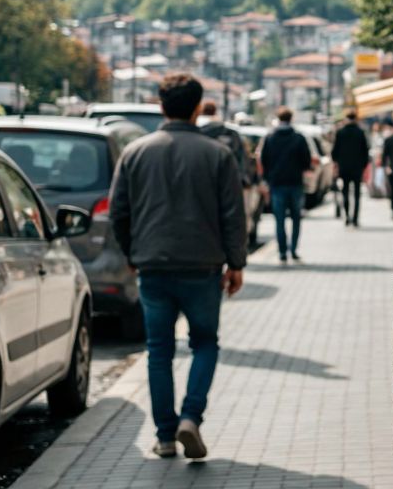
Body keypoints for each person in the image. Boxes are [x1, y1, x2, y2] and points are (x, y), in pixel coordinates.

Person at [108, 74, 246, 460]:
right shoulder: (217, 154)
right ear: (198, 107)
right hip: (202, 266)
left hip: (152, 265)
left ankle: (165, 435)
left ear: (159, 105)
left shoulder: (134, 152)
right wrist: (236, 263)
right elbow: (233, 215)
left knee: (159, 351)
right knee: (204, 343)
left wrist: (132, 253)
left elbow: (118, 212)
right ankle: (191, 416)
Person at [259, 107, 313, 263]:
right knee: (296, 218)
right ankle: (294, 250)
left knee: (279, 219)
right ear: (291, 119)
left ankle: (282, 251)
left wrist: (268, 177)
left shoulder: (270, 138)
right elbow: (306, 161)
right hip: (295, 183)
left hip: (276, 184)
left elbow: (264, 161)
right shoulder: (298, 138)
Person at [198, 100, 254, 188]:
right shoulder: (228, 131)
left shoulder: (196, 129)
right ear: (215, 111)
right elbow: (240, 155)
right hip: (226, 177)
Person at [331, 110, 370, 227]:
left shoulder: (340, 132)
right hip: (357, 168)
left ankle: (347, 217)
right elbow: (365, 151)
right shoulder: (360, 132)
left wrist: (337, 162)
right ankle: (355, 219)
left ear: (346, 118)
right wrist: (363, 165)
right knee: (357, 193)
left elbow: (334, 152)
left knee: (345, 192)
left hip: (344, 168)